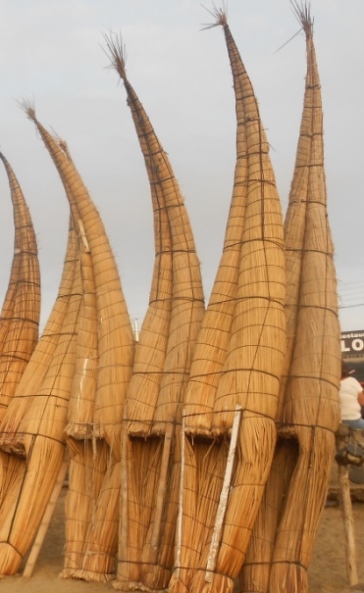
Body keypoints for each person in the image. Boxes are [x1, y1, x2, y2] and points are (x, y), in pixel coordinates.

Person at [339, 362, 364, 428]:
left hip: (332, 422)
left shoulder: (323, 384)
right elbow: (362, 401)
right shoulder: (352, 381)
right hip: (353, 420)